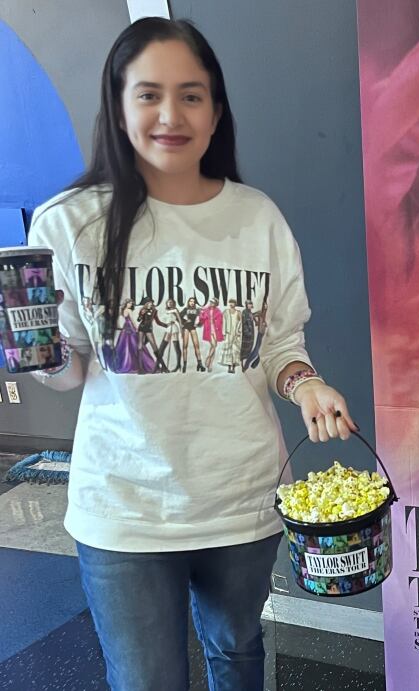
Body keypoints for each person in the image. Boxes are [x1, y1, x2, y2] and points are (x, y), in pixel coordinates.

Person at [28, 17, 356, 691]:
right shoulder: (68, 223)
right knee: (146, 680)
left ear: (214, 112)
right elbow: (69, 371)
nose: (170, 114)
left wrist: (308, 386)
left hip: (238, 499)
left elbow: (282, 349)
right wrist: (38, 354)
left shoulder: (256, 218)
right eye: (148, 94)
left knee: (237, 653)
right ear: (118, 108)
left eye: (192, 94)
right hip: (123, 506)